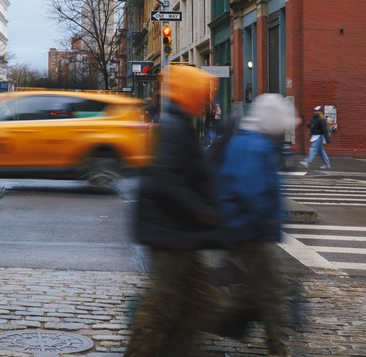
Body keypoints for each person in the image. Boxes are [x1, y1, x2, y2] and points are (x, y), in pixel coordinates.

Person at [124, 65, 221, 357]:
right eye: (202, 94)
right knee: (161, 306)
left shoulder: (180, 123)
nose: (206, 100)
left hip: (178, 233)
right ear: (191, 94)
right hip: (170, 234)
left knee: (198, 301)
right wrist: (200, 211)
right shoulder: (176, 127)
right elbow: (168, 179)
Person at [213, 93, 298, 357]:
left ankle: (209, 313)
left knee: (257, 289)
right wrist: (270, 220)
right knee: (269, 293)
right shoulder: (255, 146)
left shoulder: (246, 141)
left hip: (242, 228)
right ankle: (277, 347)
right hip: (251, 231)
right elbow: (252, 192)